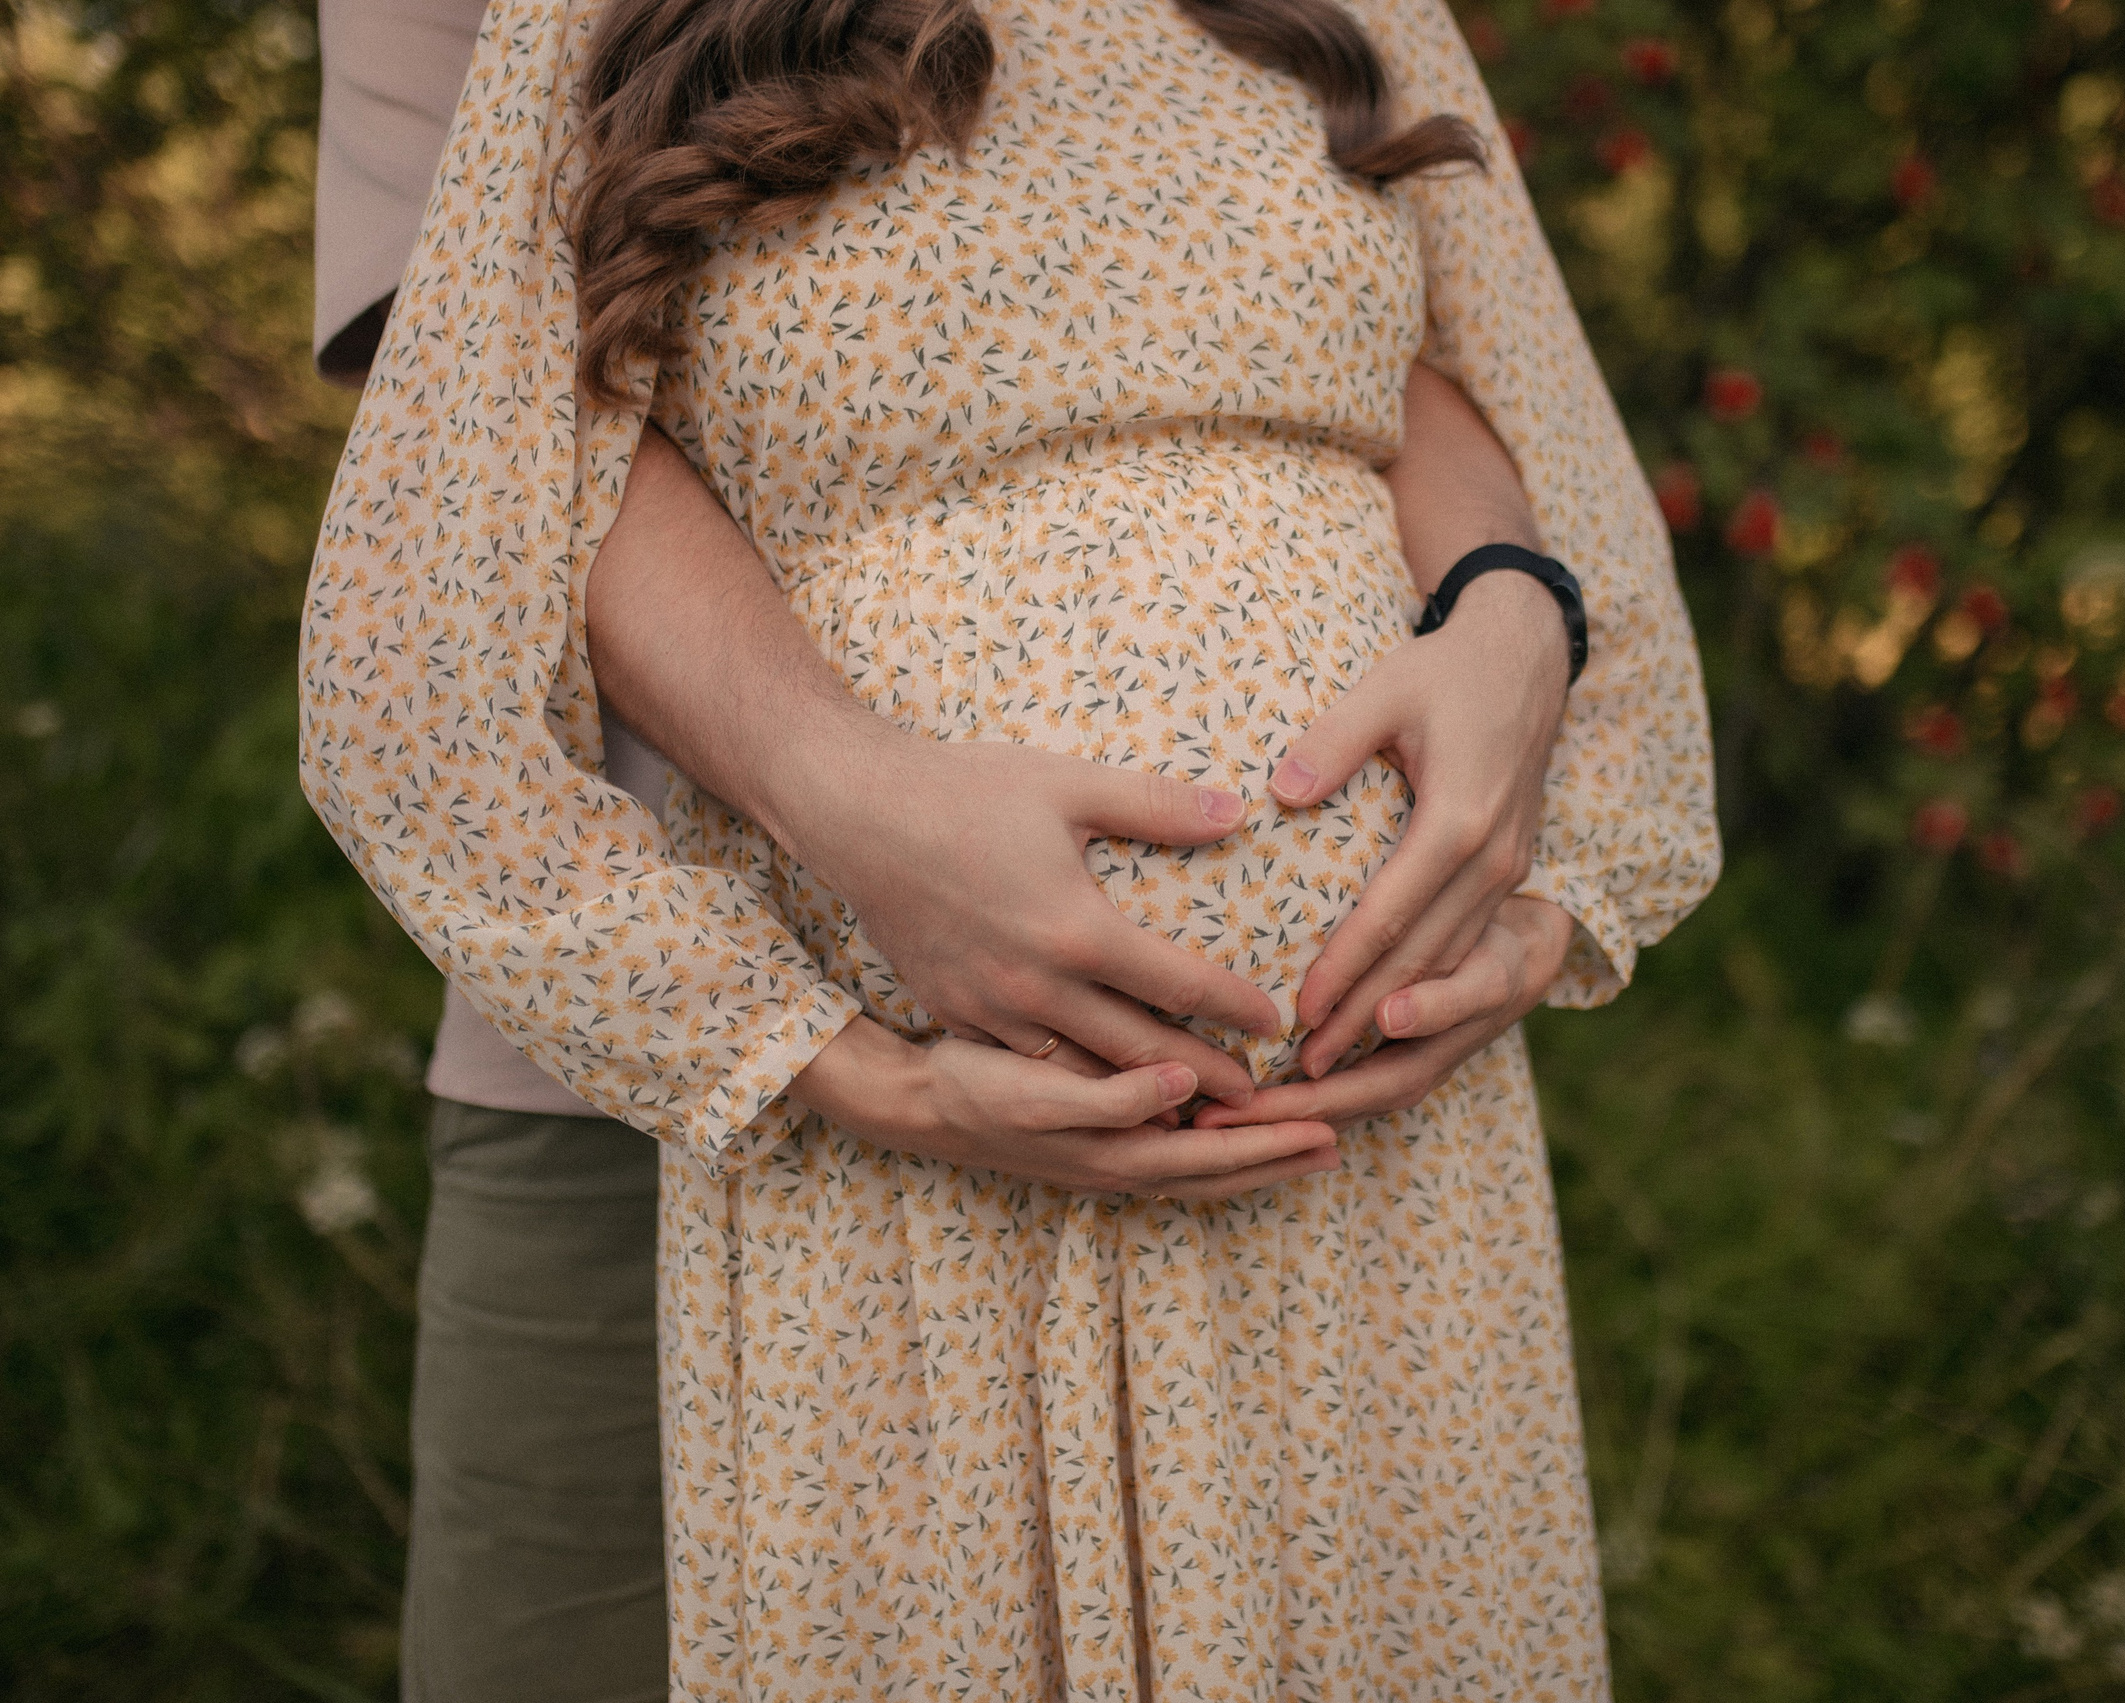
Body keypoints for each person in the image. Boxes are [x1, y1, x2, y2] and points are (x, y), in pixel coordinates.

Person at [302, 0, 1719, 1694]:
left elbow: (1444, 373)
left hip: (1381, 1175)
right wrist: (844, 1025)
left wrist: (1517, 616)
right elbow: (468, 503)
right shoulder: (605, 27)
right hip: (892, 1156)